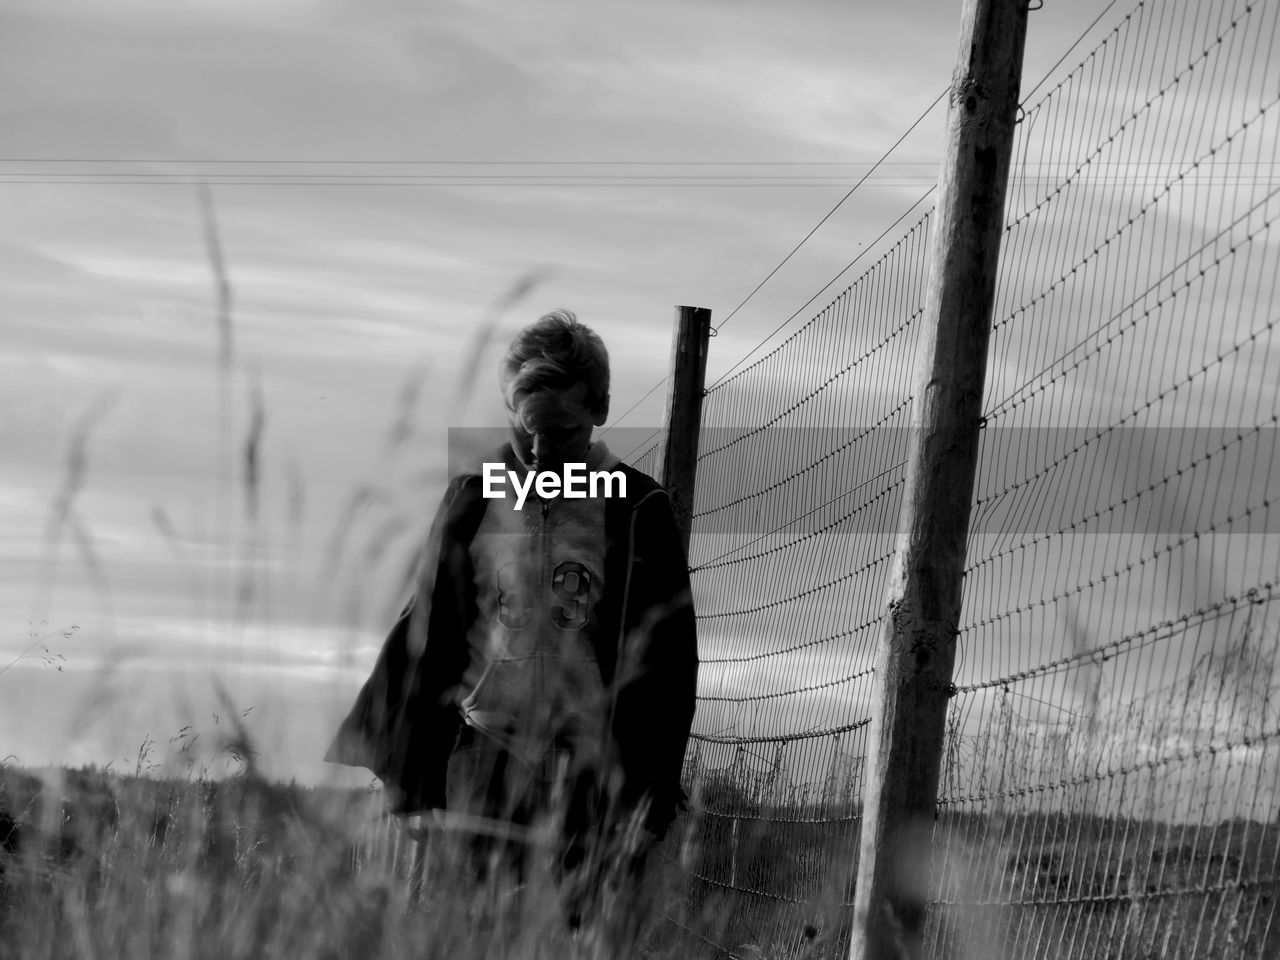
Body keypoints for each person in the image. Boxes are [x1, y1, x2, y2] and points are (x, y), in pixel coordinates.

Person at [325, 309, 698, 930]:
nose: (545, 452)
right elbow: (425, 639)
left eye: (564, 432)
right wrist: (408, 788)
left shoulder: (640, 509)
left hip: (593, 773)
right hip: (483, 762)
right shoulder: (473, 500)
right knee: (478, 936)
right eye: (529, 436)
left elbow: (669, 665)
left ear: (600, 411)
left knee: (582, 939)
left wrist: (650, 802)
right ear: (509, 417)